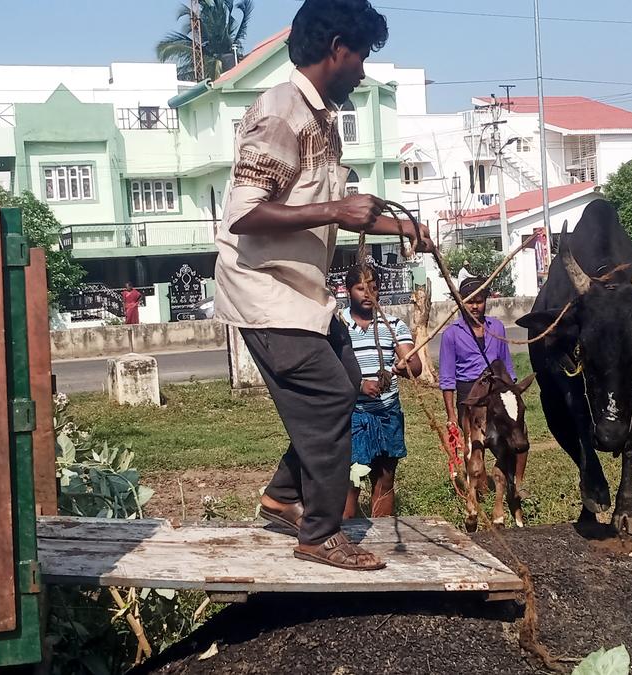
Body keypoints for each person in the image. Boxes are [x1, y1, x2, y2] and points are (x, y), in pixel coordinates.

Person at [213, 0, 432, 571]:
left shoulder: (320, 120)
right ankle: (320, 533)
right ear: (338, 48)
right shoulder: (281, 113)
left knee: (352, 381)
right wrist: (338, 205)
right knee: (336, 399)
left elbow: (327, 212)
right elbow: (243, 214)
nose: (362, 70)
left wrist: (400, 227)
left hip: (302, 293)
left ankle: (284, 495)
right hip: (263, 290)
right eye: (361, 56)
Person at [340, 266, 421, 519]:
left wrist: (406, 364)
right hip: (353, 414)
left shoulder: (394, 324)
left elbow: (415, 365)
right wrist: (359, 385)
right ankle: (348, 536)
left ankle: (382, 535)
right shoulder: (337, 326)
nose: (367, 294)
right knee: (351, 481)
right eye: (360, 288)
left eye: (373, 287)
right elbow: (329, 369)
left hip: (388, 414)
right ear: (348, 290)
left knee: (385, 478)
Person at [439, 276, 528, 491]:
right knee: (475, 443)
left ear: (486, 301)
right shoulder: (451, 335)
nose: (474, 306)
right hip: (469, 392)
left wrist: (514, 396)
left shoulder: (496, 326)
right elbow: (448, 379)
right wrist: (451, 416)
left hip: (497, 390)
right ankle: (478, 485)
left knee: (520, 432)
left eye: (479, 301)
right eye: (470, 301)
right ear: (460, 302)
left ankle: (518, 484)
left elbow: (507, 366)